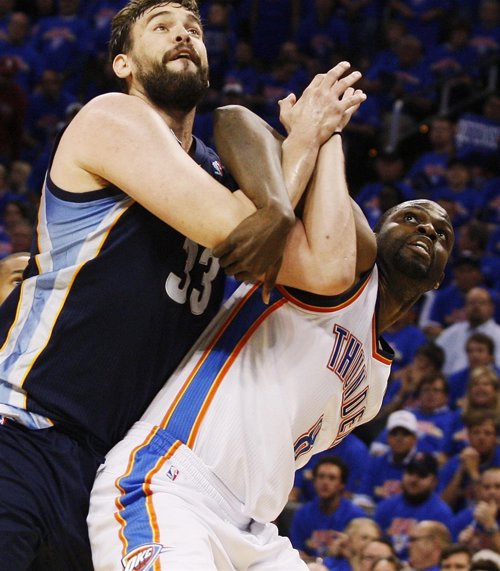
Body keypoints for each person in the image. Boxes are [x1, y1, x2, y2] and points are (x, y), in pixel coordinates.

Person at [1, 0, 355, 570]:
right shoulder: (110, 117)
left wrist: (328, 136)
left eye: (193, 29)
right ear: (123, 64)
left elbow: (327, 268)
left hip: (107, 475)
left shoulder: (221, 174)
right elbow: (236, 230)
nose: (183, 35)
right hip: (23, 431)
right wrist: (303, 141)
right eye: (161, 27)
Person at [88, 121, 455, 569]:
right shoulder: (340, 268)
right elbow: (233, 119)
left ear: (439, 278)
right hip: (175, 484)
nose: (427, 230)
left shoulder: (375, 388)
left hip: (254, 531)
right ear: (376, 236)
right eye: (410, 218)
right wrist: (282, 202)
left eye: (442, 234)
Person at [374, 453, 454, 559]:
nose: (414, 480)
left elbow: (445, 553)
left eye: (422, 475)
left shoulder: (441, 513)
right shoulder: (385, 507)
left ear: (434, 482)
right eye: (410, 473)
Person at [290, 457, 367, 564]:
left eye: (332, 478)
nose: (325, 482)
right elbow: (296, 551)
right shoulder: (302, 514)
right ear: (314, 481)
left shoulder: (356, 516)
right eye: (321, 477)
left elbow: (359, 557)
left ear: (342, 484)